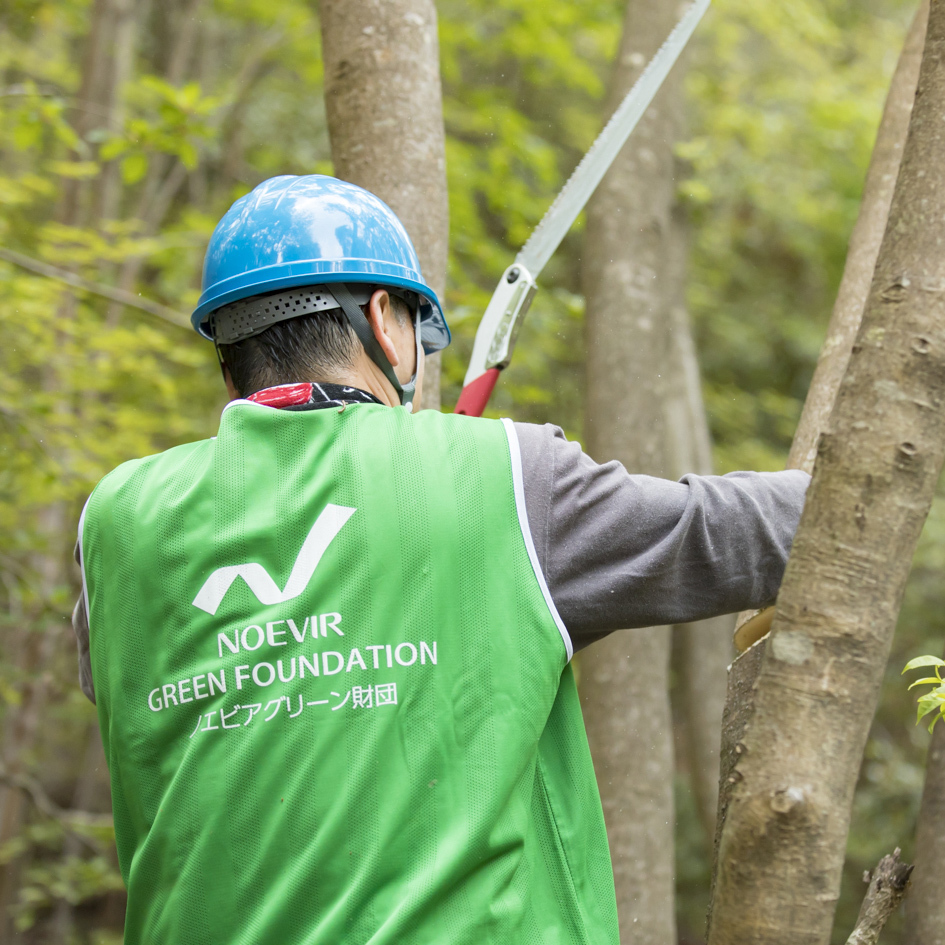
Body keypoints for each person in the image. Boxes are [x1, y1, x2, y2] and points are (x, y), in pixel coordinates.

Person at [74, 174, 809, 945]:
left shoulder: (115, 521)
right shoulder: (504, 476)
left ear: (228, 360)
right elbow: (760, 533)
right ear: (385, 324)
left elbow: (128, 683)